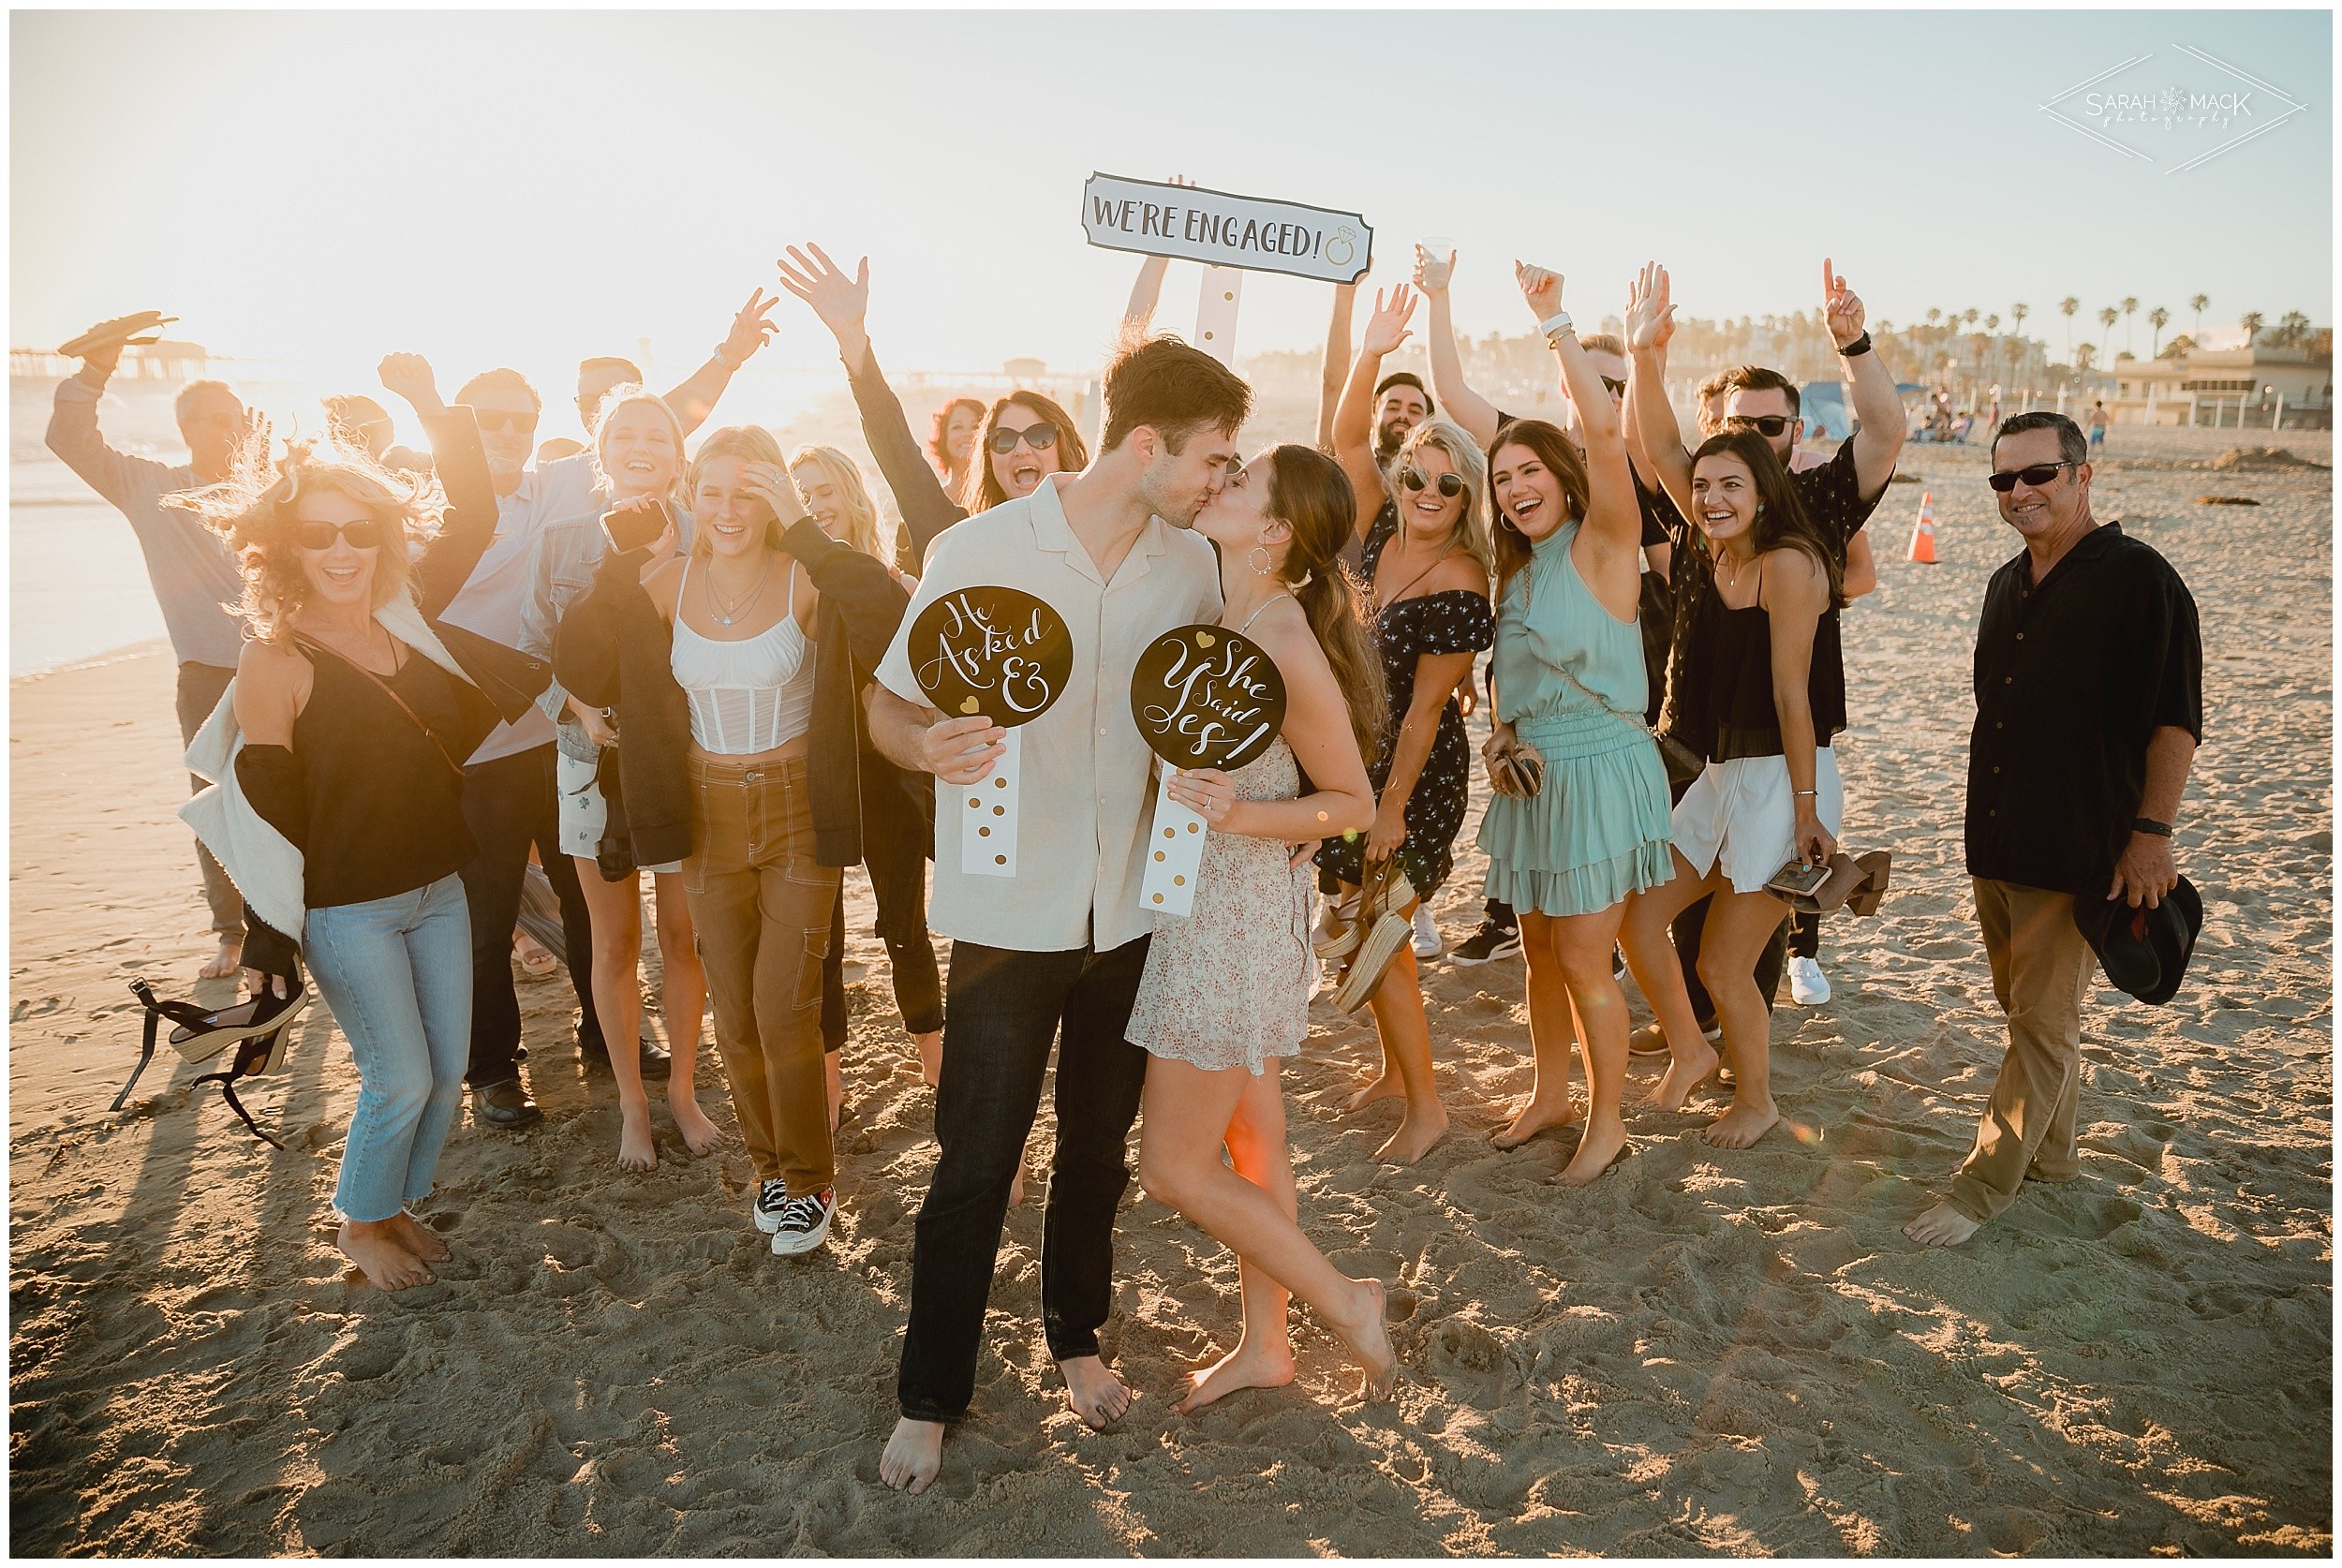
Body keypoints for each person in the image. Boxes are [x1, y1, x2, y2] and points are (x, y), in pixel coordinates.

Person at [865, 333, 1245, 1496]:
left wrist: (1218, 781)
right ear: (1148, 444)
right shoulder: (974, 547)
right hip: (1004, 911)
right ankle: (930, 1397)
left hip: (1133, 907)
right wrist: (924, 743)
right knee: (974, 1162)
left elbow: (1211, 704)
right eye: (1213, 461)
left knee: (1095, 1153)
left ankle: (1075, 1337)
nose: (1220, 481)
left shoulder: (1194, 566)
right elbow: (887, 702)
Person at [176, 394, 515, 1292]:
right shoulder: (274, 659)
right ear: (285, 546)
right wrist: (265, 934)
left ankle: (393, 1206)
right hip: (346, 910)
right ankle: (360, 1227)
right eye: (318, 533)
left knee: (445, 1080)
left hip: (438, 888)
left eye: (357, 531)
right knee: (398, 1079)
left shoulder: (405, 622)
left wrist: (438, 408)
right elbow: (269, 806)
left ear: (383, 539)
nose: (339, 551)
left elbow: (474, 511)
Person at [1129, 443, 1397, 1411]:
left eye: (1241, 483)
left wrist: (1236, 815)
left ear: (1278, 530)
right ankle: (1267, 1347)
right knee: (1254, 1147)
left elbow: (1352, 803)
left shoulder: (1280, 634)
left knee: (1171, 1168)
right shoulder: (1223, 610)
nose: (1221, 483)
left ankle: (1345, 1299)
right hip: (1200, 907)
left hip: (1228, 928)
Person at [1906, 413, 2201, 1247]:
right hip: (1998, 841)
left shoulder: (2141, 580)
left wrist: (2153, 832)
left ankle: (1981, 1190)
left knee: (2041, 1022)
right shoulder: (2008, 582)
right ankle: (2057, 1155)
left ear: (2083, 476)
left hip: (2080, 850)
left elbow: (2175, 722)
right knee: (2029, 1014)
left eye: (2038, 475)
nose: (2020, 492)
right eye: (2003, 480)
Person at [1409, 244, 1675, 969]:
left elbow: (1666, 566)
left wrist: (1580, 329)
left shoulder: (1632, 462)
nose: (1607, 392)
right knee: (1559, 941)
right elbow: (1456, 394)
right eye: (1596, 380)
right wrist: (1438, 297)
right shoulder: (1533, 462)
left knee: (1614, 928)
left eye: (1617, 382)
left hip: (1620, 659)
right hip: (1545, 675)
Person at [1617, 333, 1847, 1150]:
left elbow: (1794, 699)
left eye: (1730, 484)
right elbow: (1660, 443)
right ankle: (1691, 1049)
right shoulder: (1715, 544)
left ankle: (1758, 1100)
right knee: (1639, 922)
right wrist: (1646, 352)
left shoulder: (1789, 563)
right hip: (1723, 776)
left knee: (1723, 965)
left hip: (1786, 782)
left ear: (1765, 488)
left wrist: (1811, 818)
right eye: (1702, 486)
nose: (1710, 496)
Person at [1475, 264, 1674, 1185]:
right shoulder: (1511, 574)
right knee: (1541, 949)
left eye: (1528, 469)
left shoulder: (1602, 544)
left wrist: (1555, 321)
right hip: (1533, 777)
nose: (1516, 486)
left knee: (1588, 954)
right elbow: (1506, 692)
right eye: (1502, 475)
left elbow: (1602, 427)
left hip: (1601, 773)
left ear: (1558, 475)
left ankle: (1607, 1122)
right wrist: (1500, 740)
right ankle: (1549, 1094)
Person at [1323, 285, 1496, 1163]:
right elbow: (1349, 438)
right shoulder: (1381, 528)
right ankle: (1397, 1072)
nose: (1429, 491)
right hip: (1358, 766)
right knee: (1375, 927)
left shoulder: (1461, 581)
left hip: (1414, 779)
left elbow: (1428, 714)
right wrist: (1368, 348)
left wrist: (1388, 808)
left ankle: (1426, 1110)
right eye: (1418, 475)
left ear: (1469, 495)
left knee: (1387, 931)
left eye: (1449, 482)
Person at [519, 388, 711, 1169]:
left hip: (685, 764)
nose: (641, 447)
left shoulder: (706, 534)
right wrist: (577, 707)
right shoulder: (563, 539)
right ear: (600, 453)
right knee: (614, 941)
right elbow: (531, 645)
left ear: (677, 454)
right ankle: (633, 1103)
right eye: (624, 435)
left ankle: (684, 1092)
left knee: (683, 941)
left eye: (656, 437)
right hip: (587, 760)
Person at [46, 322, 253, 979]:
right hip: (207, 675)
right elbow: (69, 440)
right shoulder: (152, 487)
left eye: (241, 418)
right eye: (221, 420)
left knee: (300, 799)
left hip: (284, 669)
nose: (236, 429)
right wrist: (93, 375)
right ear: (188, 427)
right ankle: (233, 933)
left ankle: (305, 922)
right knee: (216, 801)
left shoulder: (272, 491)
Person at [789, 445, 945, 1118]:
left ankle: (935, 1061)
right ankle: (826, 1083)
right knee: (818, 931)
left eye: (825, 489)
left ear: (852, 495)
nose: (816, 504)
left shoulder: (893, 581)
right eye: (801, 494)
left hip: (887, 778)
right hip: (812, 777)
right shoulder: (785, 584)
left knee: (904, 925)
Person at [571, 287, 778, 439]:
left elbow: (676, 412)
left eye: (613, 398)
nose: (602, 409)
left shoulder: (682, 474)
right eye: (588, 402)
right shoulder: (558, 479)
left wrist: (729, 356)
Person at [929, 395, 985, 497]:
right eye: (957, 427)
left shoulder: (1003, 498)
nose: (967, 434)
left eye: (975, 426)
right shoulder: (933, 500)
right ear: (943, 437)